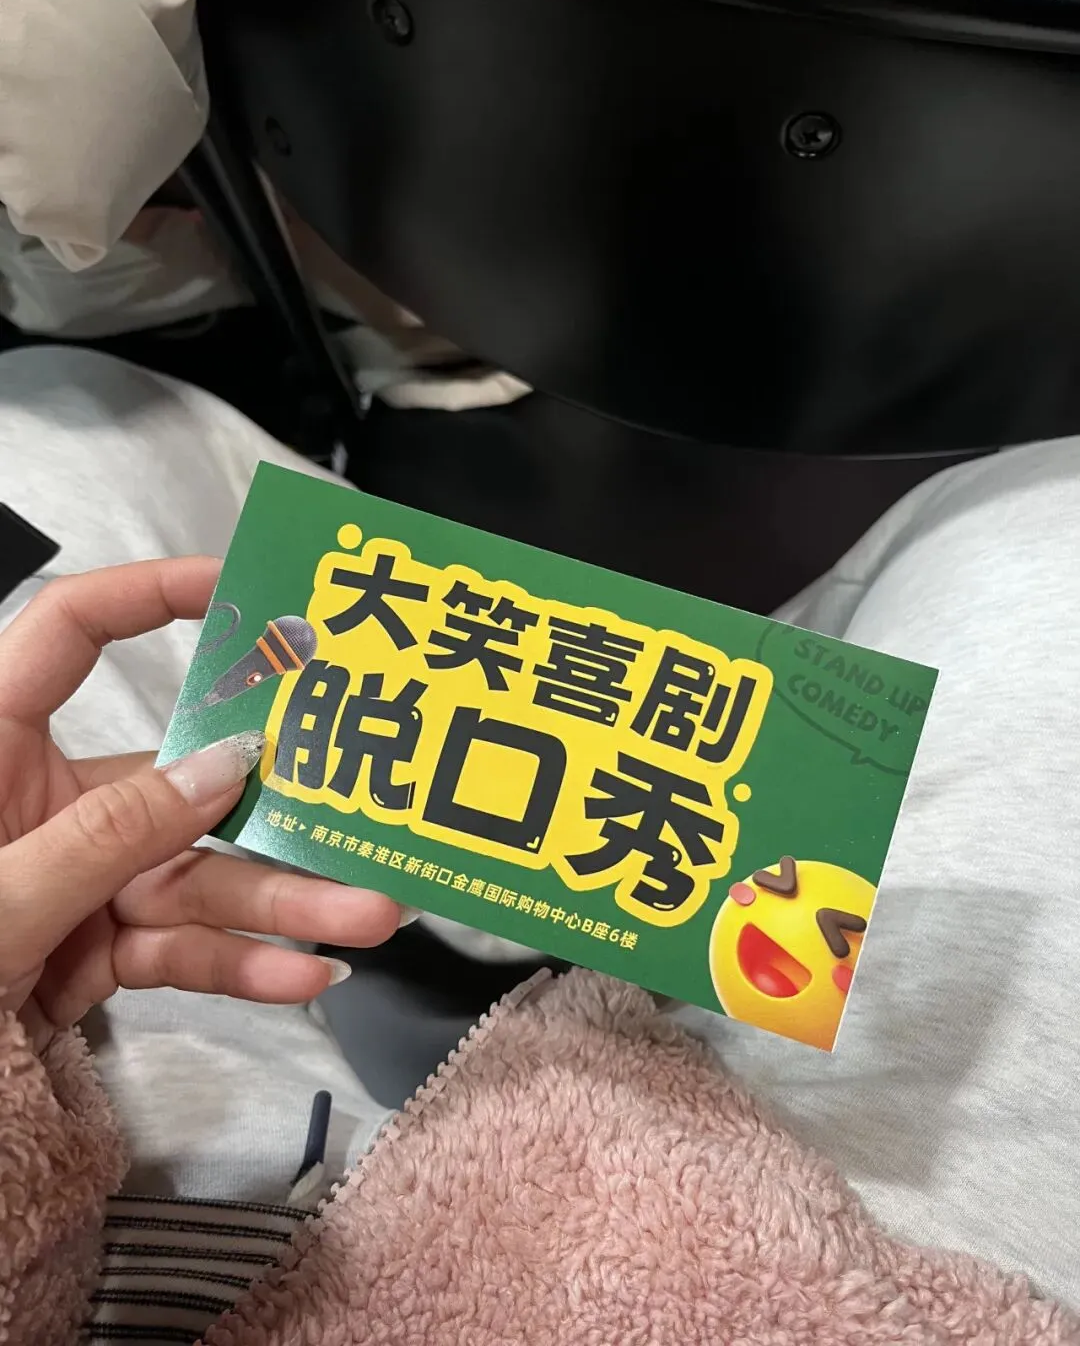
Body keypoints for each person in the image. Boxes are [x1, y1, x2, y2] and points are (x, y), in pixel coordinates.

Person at [1, 344, 1079, 1346]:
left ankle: (485, 900)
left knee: (55, 414)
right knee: (1041, 522)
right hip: (732, 1273)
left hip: (60, 1169)